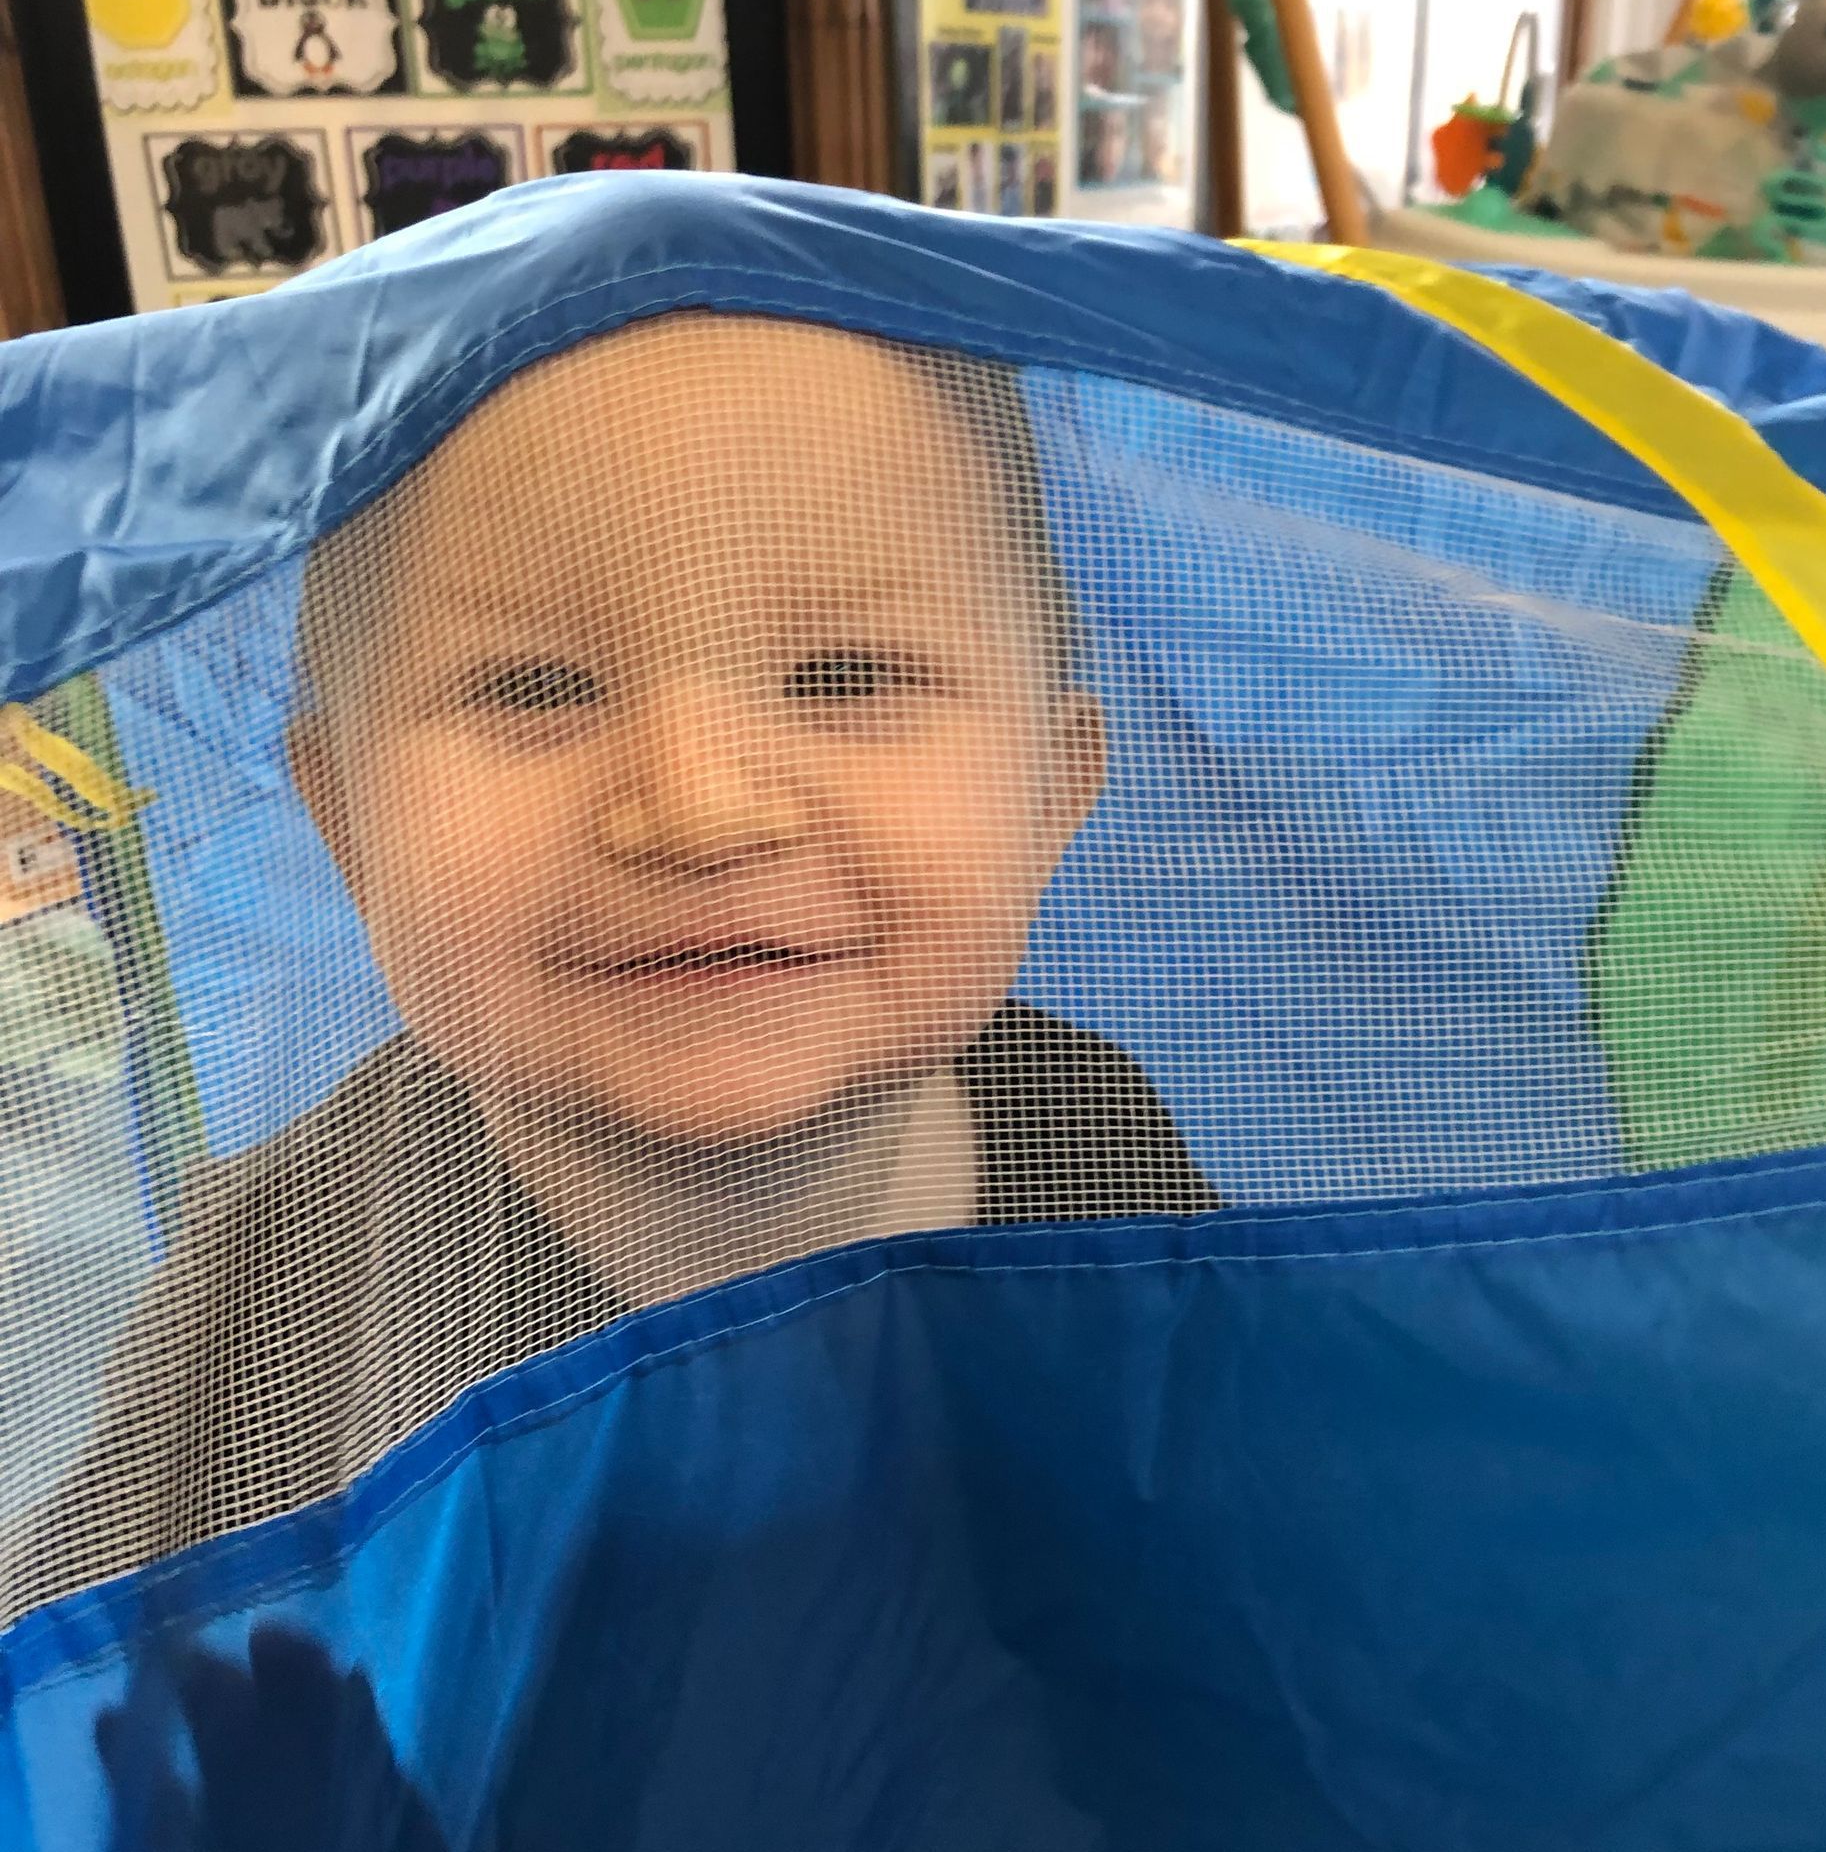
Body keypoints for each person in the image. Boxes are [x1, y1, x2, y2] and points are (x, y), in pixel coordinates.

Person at [17, 313, 1220, 1612]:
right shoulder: (282, 1273)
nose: (700, 805)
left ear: (1054, 794)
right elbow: (91, 1715)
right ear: (344, 821)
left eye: (845, 673)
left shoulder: (1092, 1126)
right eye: (536, 687)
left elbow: (1245, 1528)